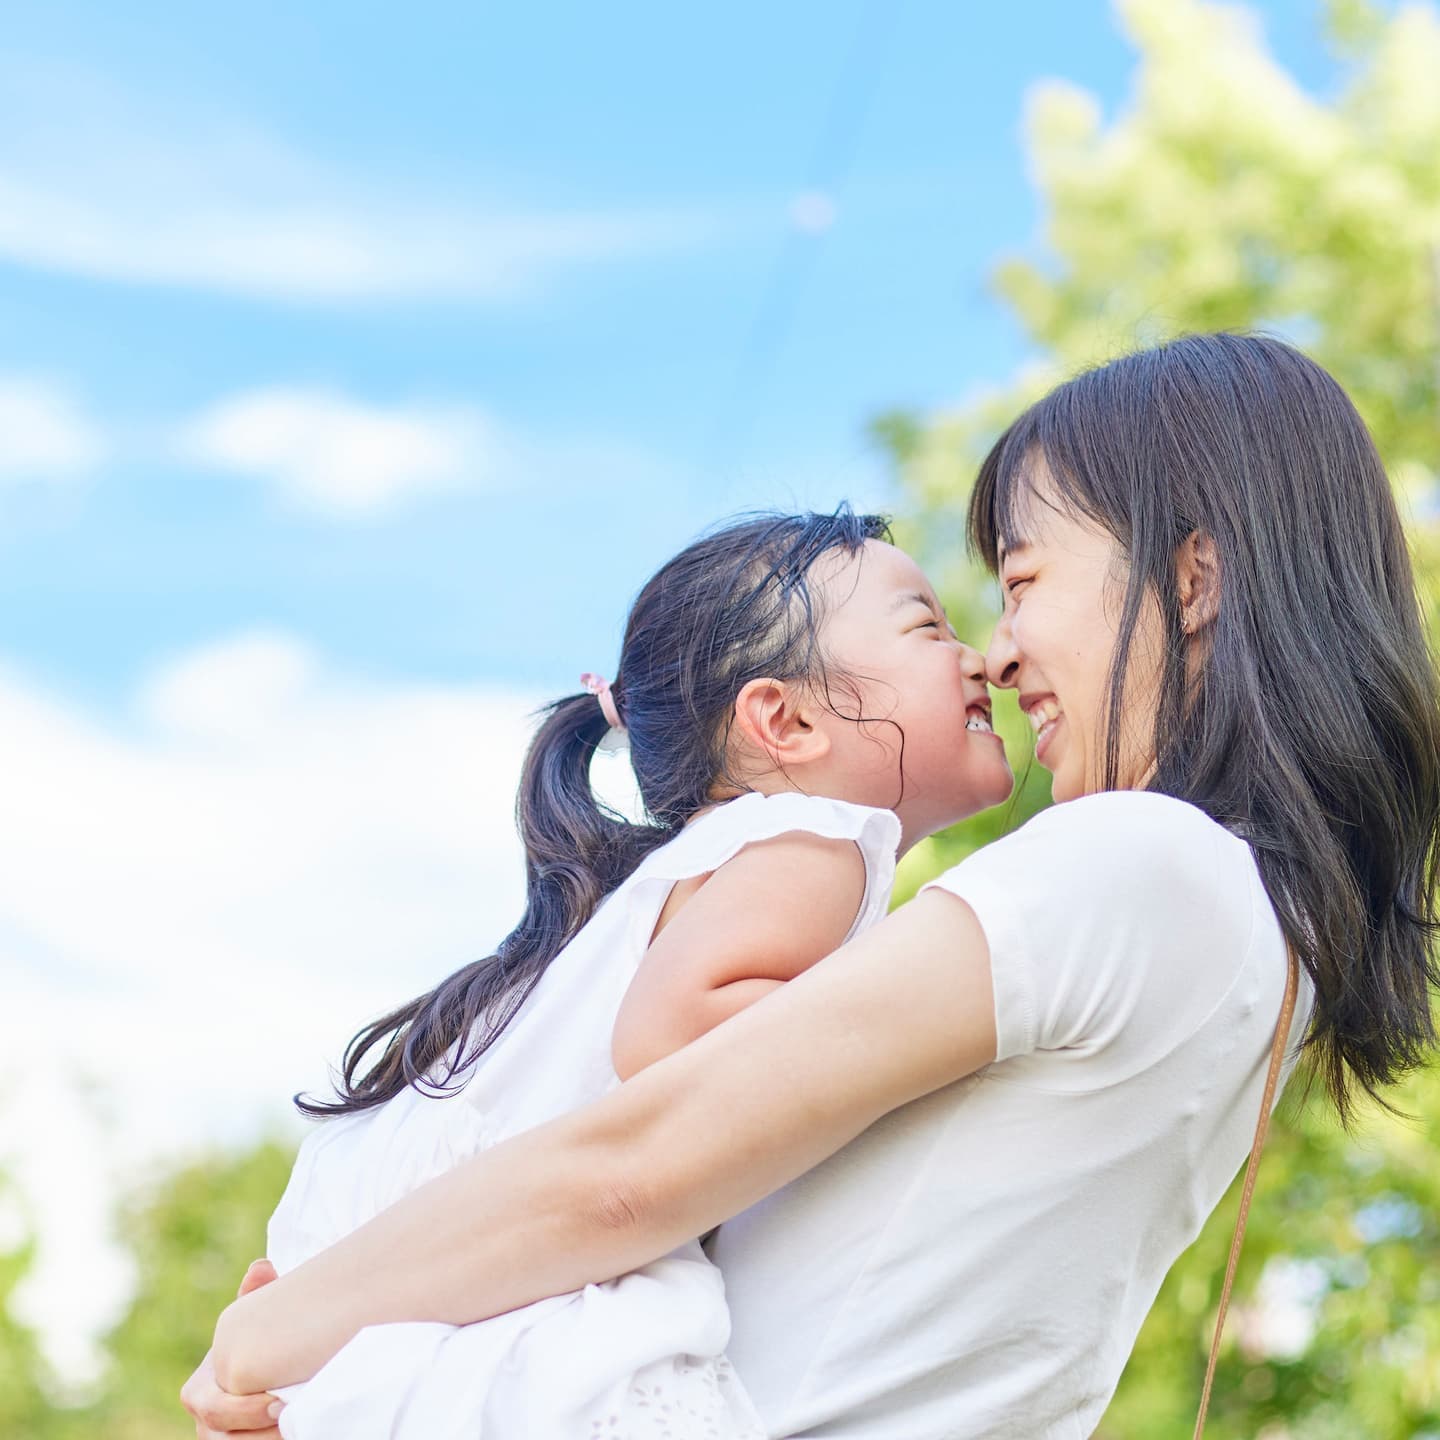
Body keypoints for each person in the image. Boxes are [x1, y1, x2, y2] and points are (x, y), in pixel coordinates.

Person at [185, 334, 1440, 1440]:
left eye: (1022, 582)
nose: (996, 653)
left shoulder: (1140, 863)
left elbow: (636, 1159)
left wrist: (274, 1340)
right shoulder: (1251, 933)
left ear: (1192, 580)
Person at [216, 508, 1014, 1440]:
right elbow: (672, 1032)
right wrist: (922, 1048)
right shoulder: (817, 838)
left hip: (391, 1293)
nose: (978, 658)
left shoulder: (677, 878)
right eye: (927, 627)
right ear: (785, 719)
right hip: (518, 1300)